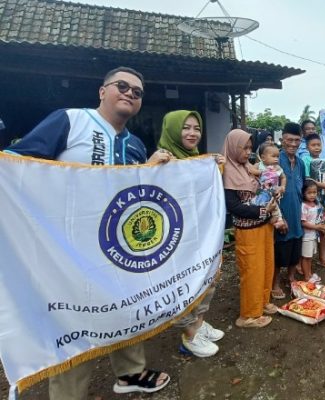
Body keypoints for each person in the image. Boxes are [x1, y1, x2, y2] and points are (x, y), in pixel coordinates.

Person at [5, 66, 170, 398]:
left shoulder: (135, 144)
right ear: (102, 91)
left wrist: (151, 170)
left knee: (128, 307)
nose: (129, 94)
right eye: (122, 86)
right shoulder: (69, 121)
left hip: (122, 248)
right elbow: (16, 163)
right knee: (76, 323)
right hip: (70, 251)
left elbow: (138, 191)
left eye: (137, 92)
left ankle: (130, 373)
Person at [157, 110, 225, 358]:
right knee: (185, 283)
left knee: (206, 279)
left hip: (203, 235)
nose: (192, 133)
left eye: (197, 128)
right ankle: (189, 335)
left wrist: (213, 168)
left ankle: (199, 321)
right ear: (173, 129)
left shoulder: (196, 159)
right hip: (179, 240)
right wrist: (151, 166)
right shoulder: (162, 159)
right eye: (185, 127)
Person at [223, 129, 281, 328]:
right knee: (252, 271)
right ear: (232, 147)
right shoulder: (227, 171)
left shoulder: (248, 167)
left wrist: (274, 194)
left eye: (250, 148)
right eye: (243, 148)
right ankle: (248, 315)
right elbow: (234, 206)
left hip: (264, 226)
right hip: (248, 230)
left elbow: (264, 187)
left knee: (266, 266)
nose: (248, 152)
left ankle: (262, 303)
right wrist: (263, 210)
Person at [272, 122, 307, 299]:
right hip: (280, 214)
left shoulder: (300, 163)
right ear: (282, 139)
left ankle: (291, 278)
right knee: (279, 251)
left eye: (297, 140)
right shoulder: (275, 160)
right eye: (290, 140)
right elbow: (267, 191)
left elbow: (303, 187)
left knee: (295, 249)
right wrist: (278, 218)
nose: (293, 144)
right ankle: (275, 283)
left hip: (296, 213)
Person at [301, 133, 325, 270]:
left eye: (318, 145)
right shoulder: (305, 160)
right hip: (311, 201)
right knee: (306, 231)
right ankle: (302, 262)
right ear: (307, 146)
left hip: (324, 200)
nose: (316, 148)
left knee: (323, 229)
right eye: (313, 145)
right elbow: (308, 180)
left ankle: (322, 258)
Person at [300, 179, 325, 282]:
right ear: (303, 193)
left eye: (314, 192)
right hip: (306, 236)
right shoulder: (304, 206)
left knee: (309, 256)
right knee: (305, 257)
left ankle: (309, 274)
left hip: (313, 235)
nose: (312, 195)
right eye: (309, 193)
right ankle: (307, 276)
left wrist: (320, 226)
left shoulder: (315, 205)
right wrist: (317, 227)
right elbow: (303, 222)